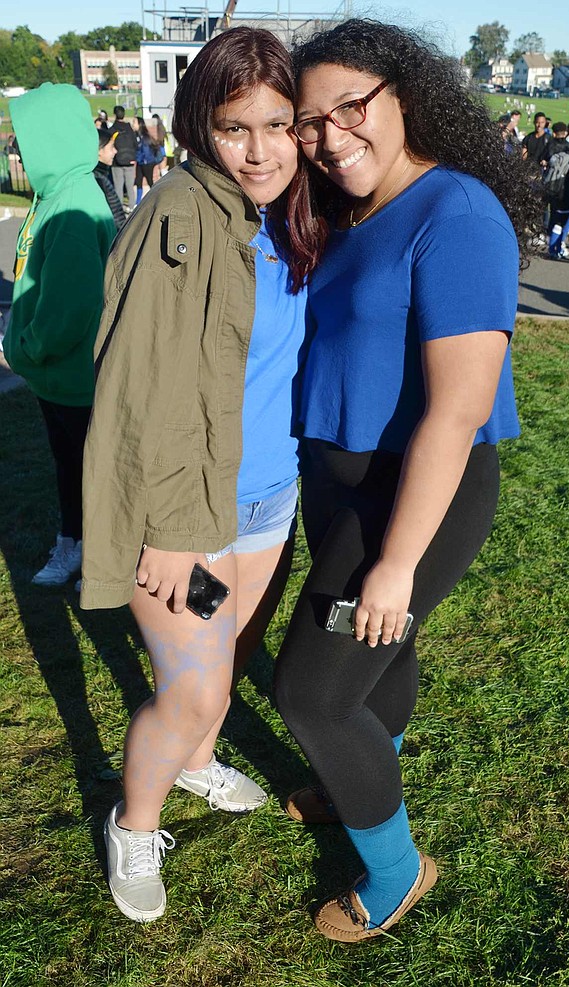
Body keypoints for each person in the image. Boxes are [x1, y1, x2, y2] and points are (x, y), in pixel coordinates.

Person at [273, 18, 541, 943]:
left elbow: (457, 410)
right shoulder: (347, 213)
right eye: (310, 120)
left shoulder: (455, 211)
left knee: (310, 691)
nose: (330, 134)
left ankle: (395, 868)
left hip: (419, 491)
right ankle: (361, 770)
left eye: (353, 106)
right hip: (339, 478)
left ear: (405, 97)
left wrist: (395, 562)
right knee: (379, 655)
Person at [80, 27, 317, 923]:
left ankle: (193, 763)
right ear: (198, 126)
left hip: (267, 496)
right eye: (234, 127)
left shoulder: (282, 214)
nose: (259, 149)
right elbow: (142, 391)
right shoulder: (181, 216)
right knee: (193, 686)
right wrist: (172, 529)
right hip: (189, 509)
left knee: (227, 660)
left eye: (277, 124)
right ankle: (134, 822)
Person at [2, 82, 116, 586]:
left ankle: (98, 557)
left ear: (51, 137)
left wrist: (26, 349)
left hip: (73, 377)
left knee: (87, 472)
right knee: (70, 466)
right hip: (55, 377)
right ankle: (78, 543)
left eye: (24, 140)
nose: (17, 152)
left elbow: (71, 308)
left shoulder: (73, 202)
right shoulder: (54, 194)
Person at [93, 127, 126, 231]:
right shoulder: (98, 180)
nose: (115, 151)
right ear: (99, 150)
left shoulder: (100, 175)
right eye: (111, 147)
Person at [109, 105, 138, 211]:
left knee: (118, 186)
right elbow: (135, 144)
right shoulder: (129, 129)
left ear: (115, 114)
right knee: (130, 186)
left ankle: (119, 208)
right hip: (130, 160)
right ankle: (131, 206)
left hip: (116, 162)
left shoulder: (112, 130)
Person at [132, 115, 157, 204]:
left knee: (150, 181)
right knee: (138, 182)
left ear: (139, 124)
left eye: (134, 122)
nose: (132, 124)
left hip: (147, 163)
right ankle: (137, 203)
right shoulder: (136, 135)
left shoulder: (144, 137)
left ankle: (156, 198)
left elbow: (145, 152)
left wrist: (138, 158)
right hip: (140, 162)